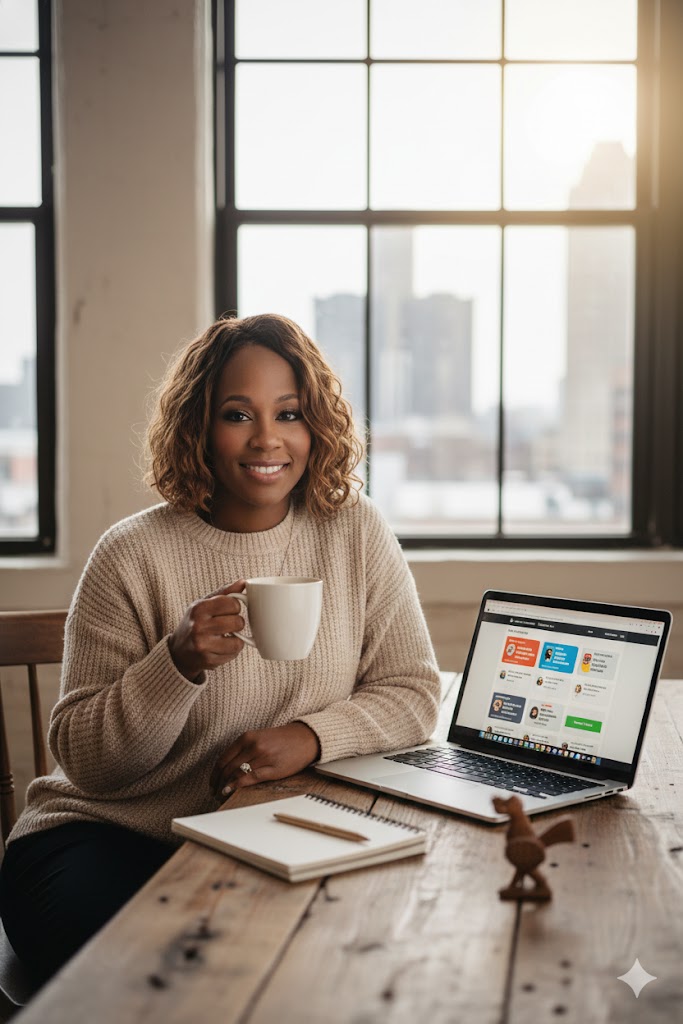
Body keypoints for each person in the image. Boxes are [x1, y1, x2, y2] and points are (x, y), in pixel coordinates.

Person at [0, 313, 440, 988]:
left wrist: (308, 737)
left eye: (289, 413)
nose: (267, 438)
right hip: (106, 839)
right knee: (180, 972)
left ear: (315, 425)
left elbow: (411, 692)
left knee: (358, 951)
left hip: (268, 831)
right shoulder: (131, 554)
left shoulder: (354, 529)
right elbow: (86, 764)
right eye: (237, 414)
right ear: (198, 427)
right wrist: (174, 665)